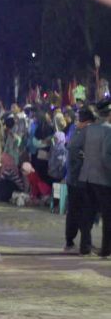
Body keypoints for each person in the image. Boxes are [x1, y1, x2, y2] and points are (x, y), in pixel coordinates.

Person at [77, 98, 111, 258]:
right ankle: (106, 248)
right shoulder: (108, 130)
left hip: (86, 176)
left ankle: (84, 246)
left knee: (88, 213)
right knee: (108, 215)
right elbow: (106, 156)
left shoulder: (90, 129)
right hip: (103, 179)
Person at [65, 107, 94, 253]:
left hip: (73, 179)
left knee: (73, 211)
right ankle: (85, 244)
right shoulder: (86, 134)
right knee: (85, 212)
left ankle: (70, 241)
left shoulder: (75, 133)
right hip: (82, 180)